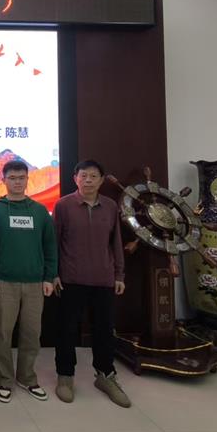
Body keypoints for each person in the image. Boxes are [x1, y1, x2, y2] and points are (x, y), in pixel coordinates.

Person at [53, 160, 131, 408]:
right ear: (75, 178)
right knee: (66, 330)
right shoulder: (63, 205)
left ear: (101, 180)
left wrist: (119, 275)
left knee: (104, 330)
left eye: (93, 176)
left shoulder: (110, 206)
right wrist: (53, 273)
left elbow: (115, 242)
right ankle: (65, 376)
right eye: (83, 175)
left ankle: (105, 375)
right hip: (70, 279)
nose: (88, 180)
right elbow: (54, 242)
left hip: (103, 279)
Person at [0, 159, 57, 403]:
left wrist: (49, 276)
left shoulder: (39, 211)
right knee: (3, 333)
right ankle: (4, 380)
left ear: (27, 180)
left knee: (32, 333)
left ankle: (27, 377)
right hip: (4, 283)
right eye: (12, 178)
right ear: (3, 180)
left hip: (35, 283)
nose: (17, 182)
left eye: (21, 177)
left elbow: (50, 246)